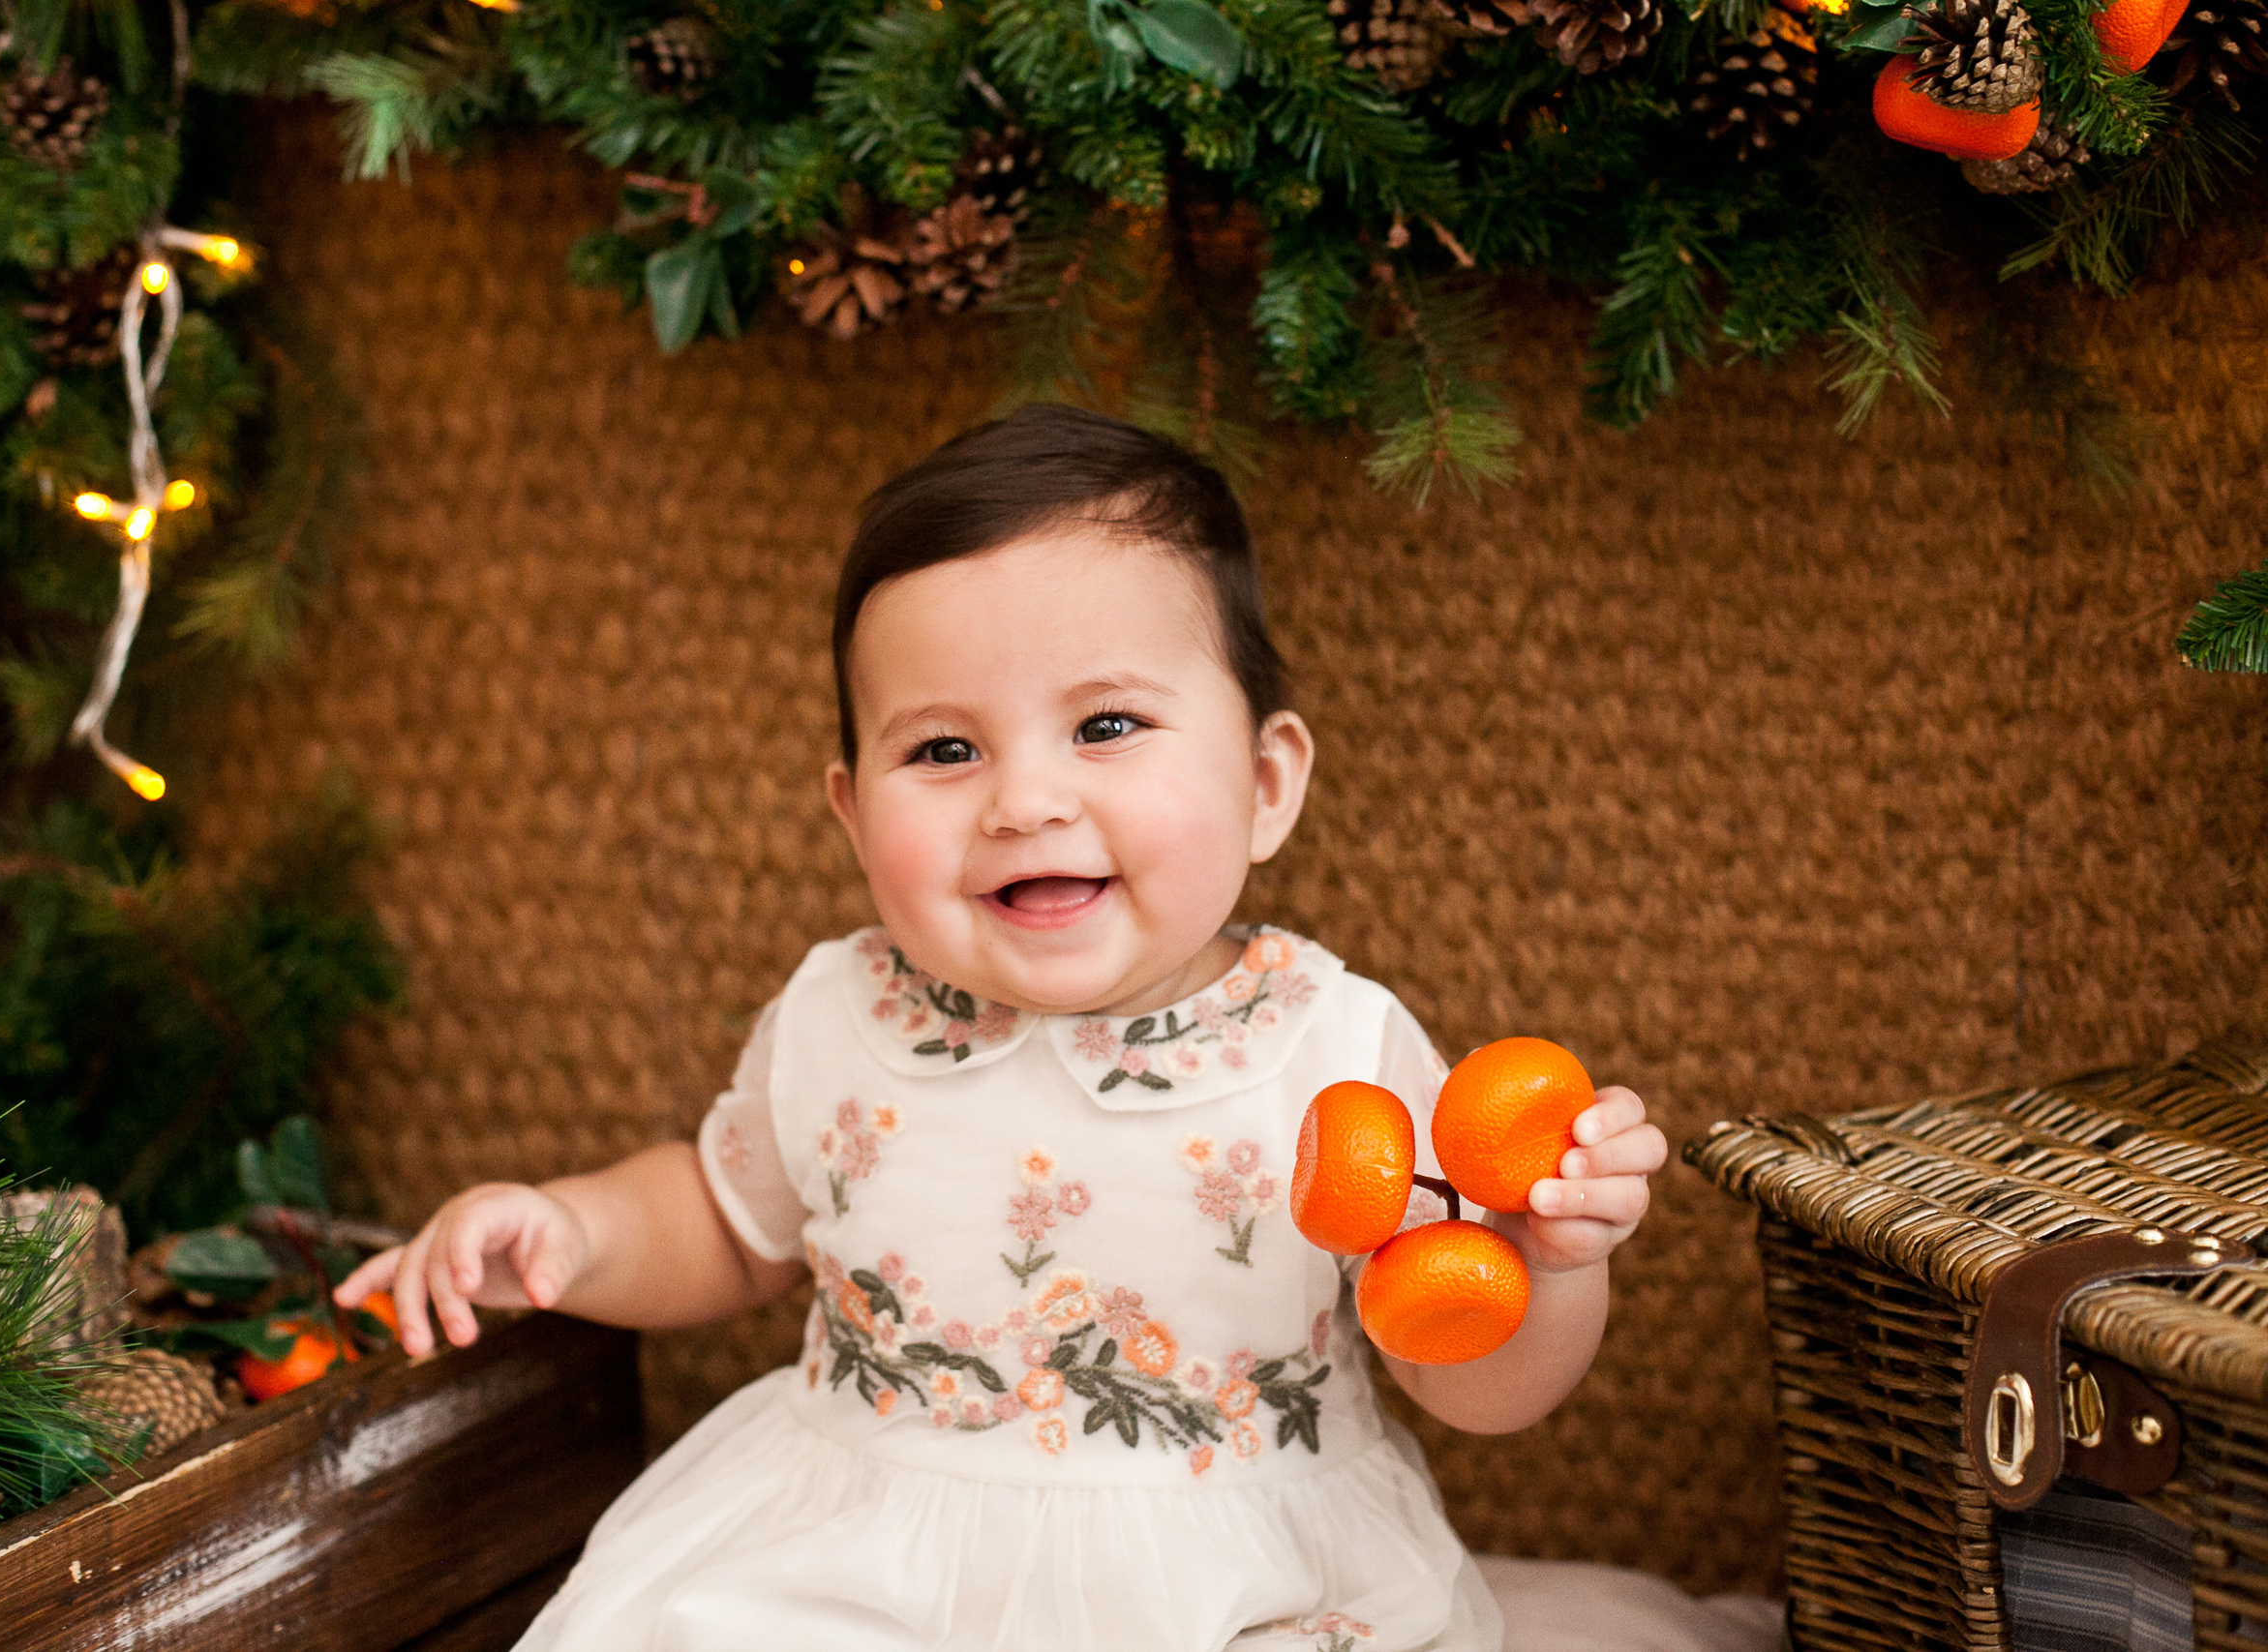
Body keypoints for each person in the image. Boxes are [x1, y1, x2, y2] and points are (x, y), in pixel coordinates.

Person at [337, 404, 1673, 1651]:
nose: (1025, 799)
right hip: (860, 1563)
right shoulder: (838, 1012)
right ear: (854, 812)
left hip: (1227, 1586)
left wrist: (1550, 1261)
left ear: (1266, 786)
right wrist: (573, 1232)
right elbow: (725, 1219)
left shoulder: (1332, 1045)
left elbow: (1471, 1381)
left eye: (1105, 725)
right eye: (943, 751)